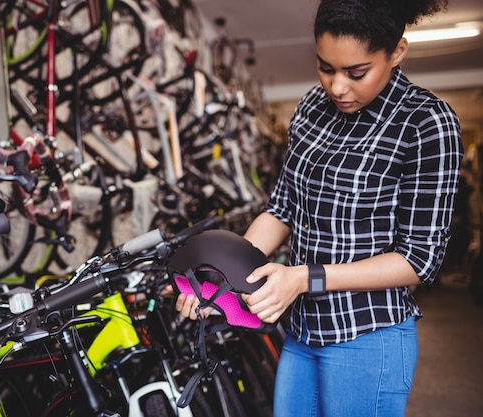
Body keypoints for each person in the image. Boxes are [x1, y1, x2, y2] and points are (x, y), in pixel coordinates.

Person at [175, 0, 463, 416]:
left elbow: (419, 261)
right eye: (326, 68)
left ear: (396, 52)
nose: (338, 87)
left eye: (356, 72)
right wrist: (221, 283)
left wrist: (303, 279)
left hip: (369, 335)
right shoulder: (312, 107)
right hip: (302, 332)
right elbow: (281, 211)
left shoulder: (426, 123)